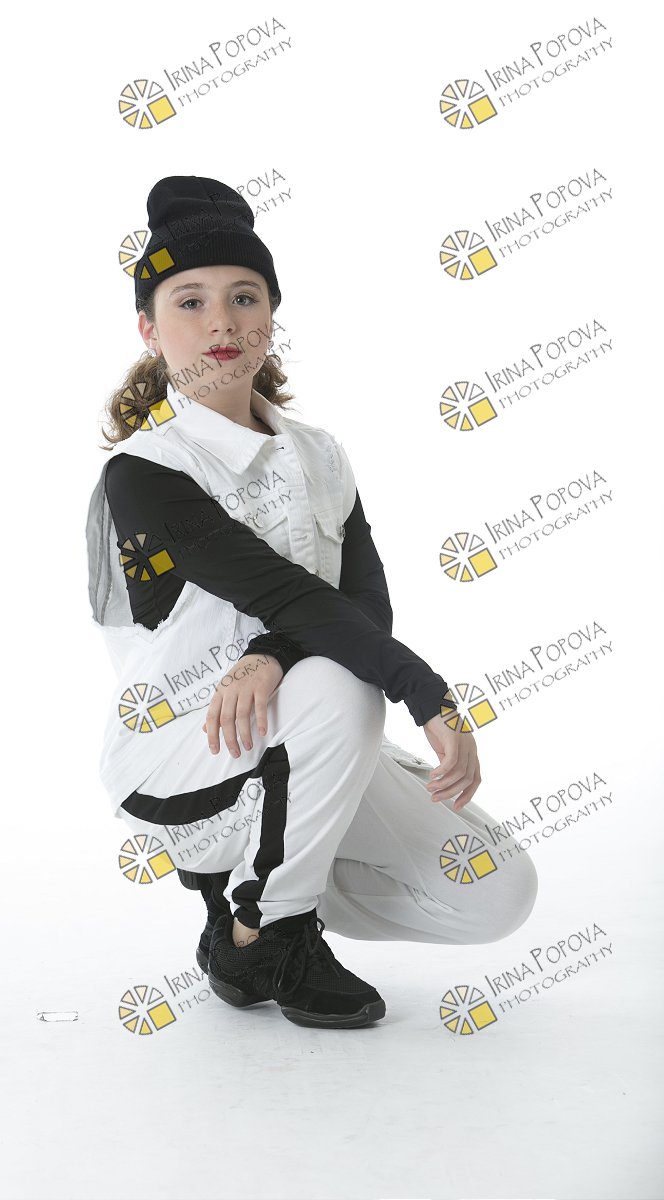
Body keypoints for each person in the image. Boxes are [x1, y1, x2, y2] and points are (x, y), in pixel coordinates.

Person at [84, 175, 538, 1030]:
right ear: (149, 327)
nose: (221, 323)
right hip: (185, 749)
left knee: (497, 892)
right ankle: (266, 932)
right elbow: (282, 591)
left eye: (244, 297)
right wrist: (426, 694)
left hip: (300, 737)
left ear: (271, 315)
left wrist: (273, 653)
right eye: (190, 301)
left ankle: (263, 881)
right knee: (341, 682)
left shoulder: (321, 452)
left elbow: (363, 603)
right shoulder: (144, 471)